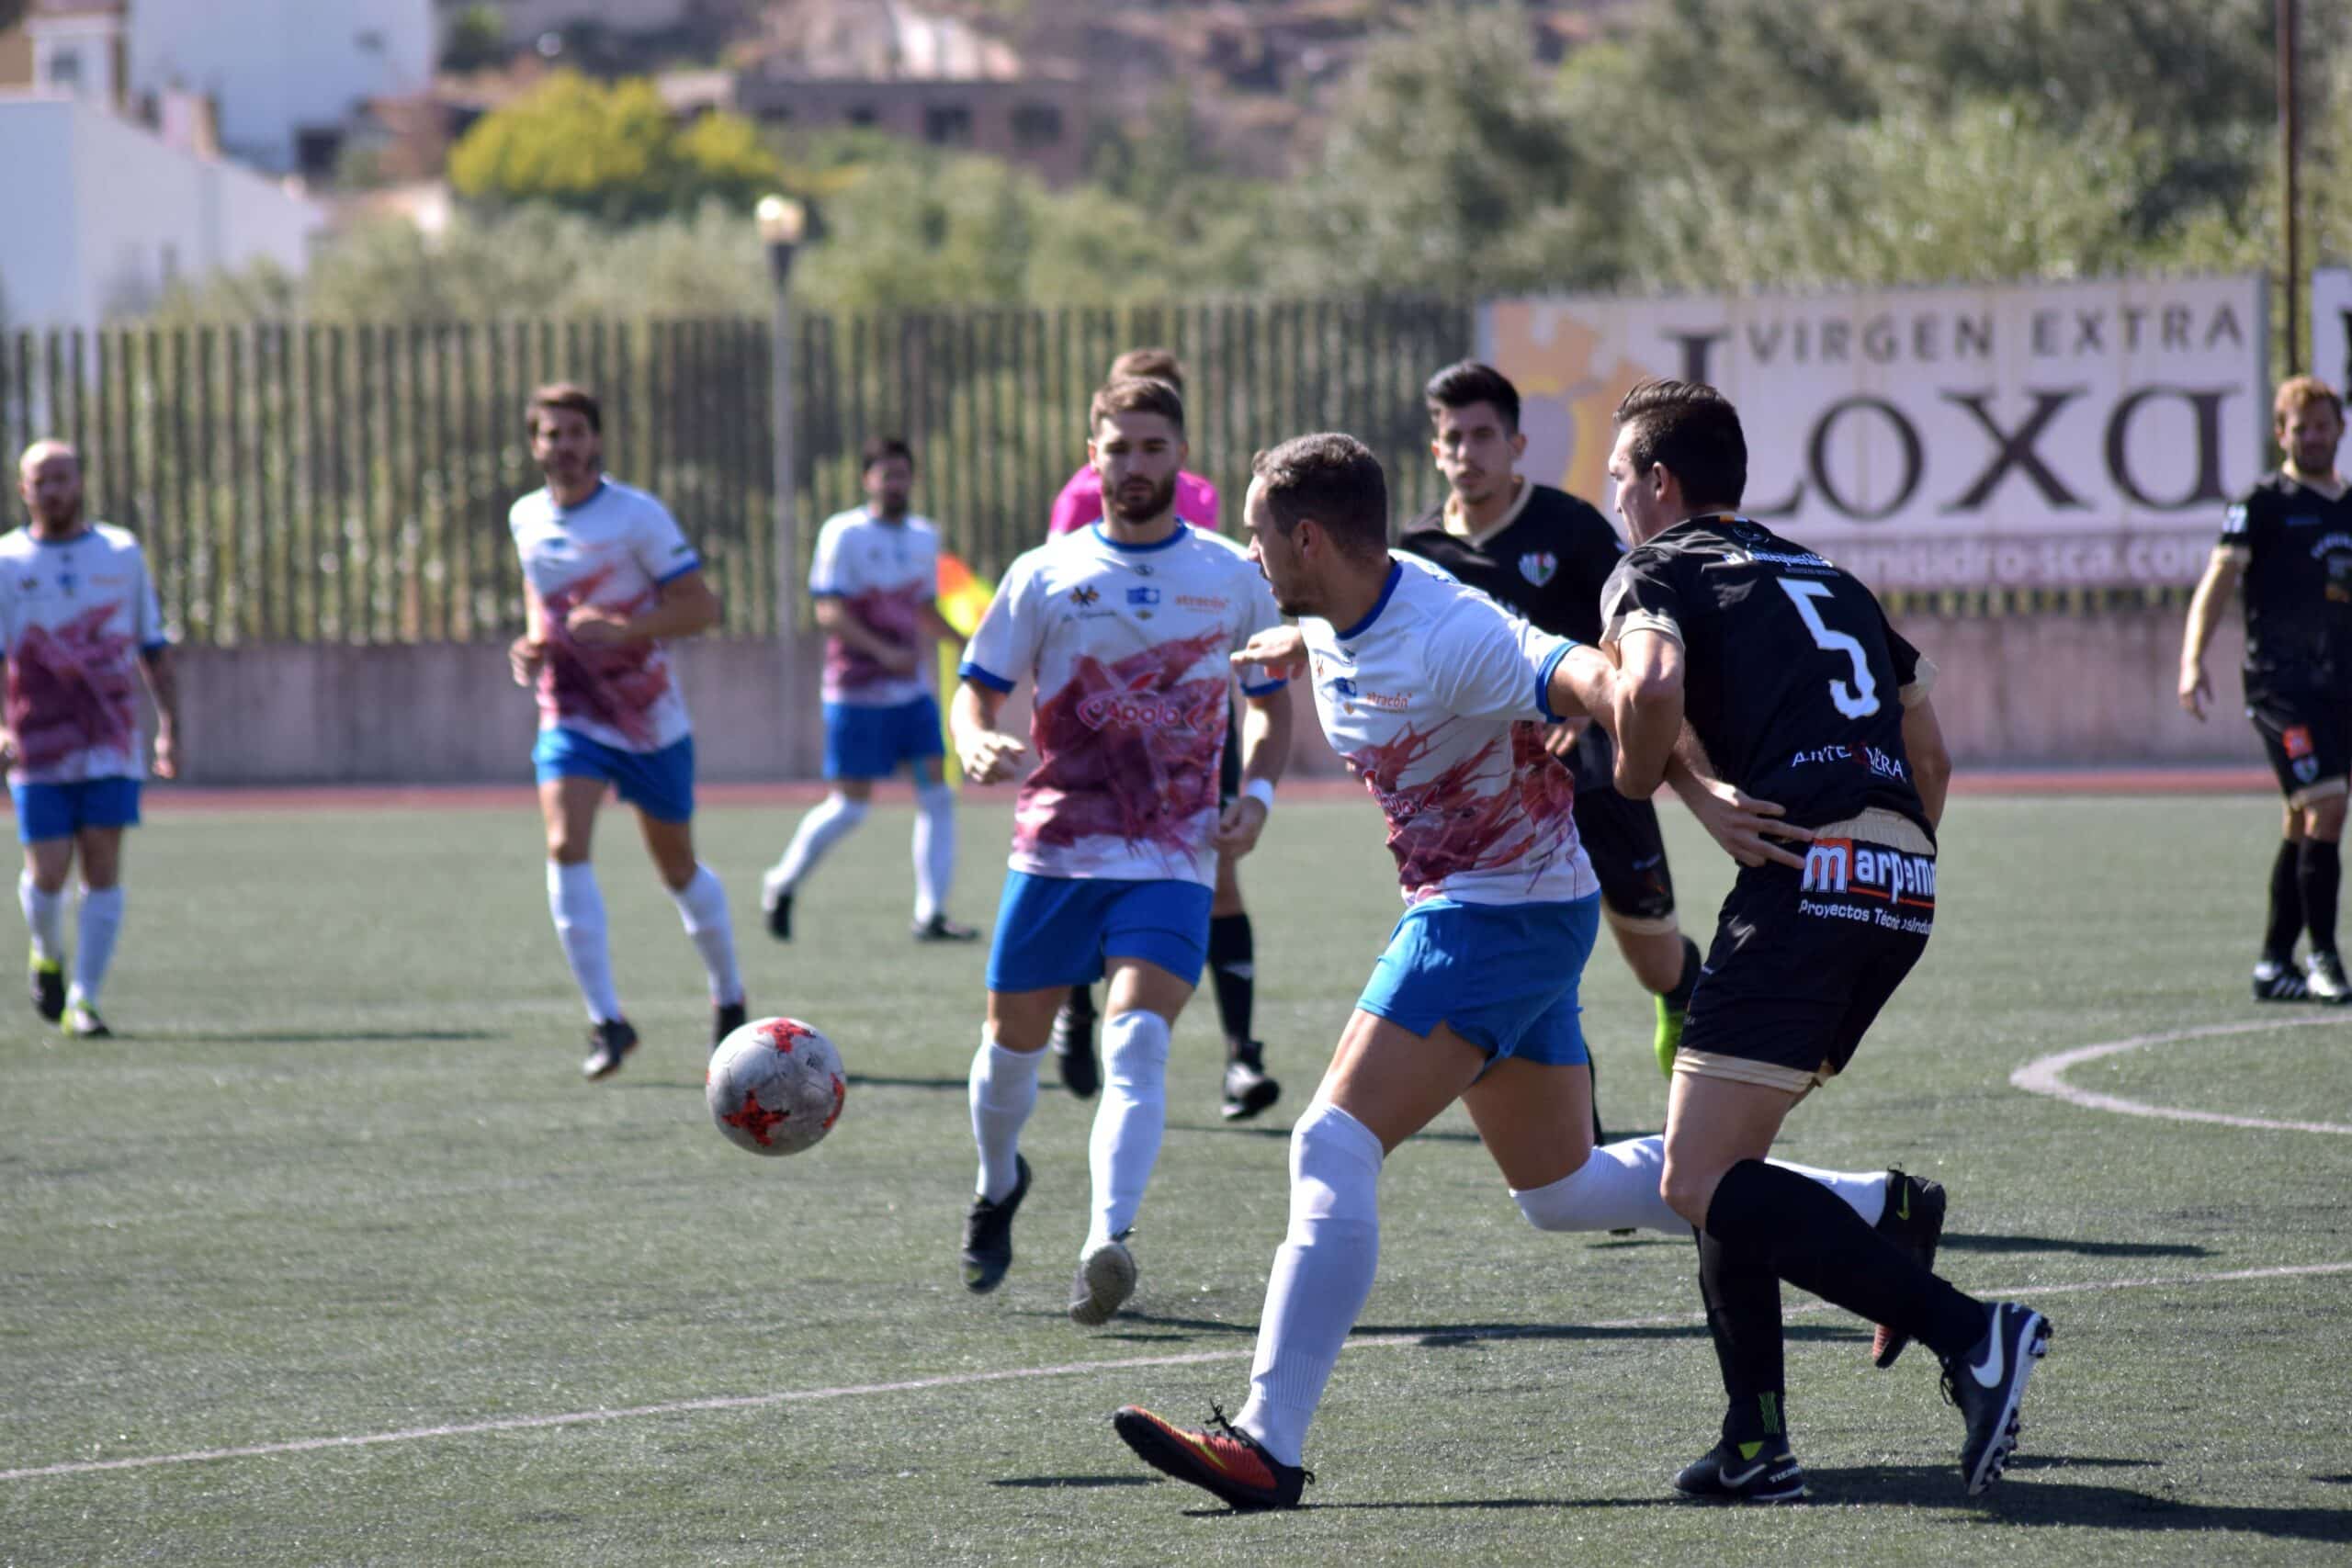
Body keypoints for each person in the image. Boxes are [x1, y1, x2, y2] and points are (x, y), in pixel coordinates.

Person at [1110, 434, 1925, 1512]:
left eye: (1261, 538)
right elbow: (1381, 652)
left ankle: (1268, 1443)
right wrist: (1297, 654)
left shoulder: (1451, 633)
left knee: (1331, 1139)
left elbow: (1597, 681)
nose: (1252, 557)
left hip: (1490, 918)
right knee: (1561, 1190)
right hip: (1527, 909)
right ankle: (1878, 1213)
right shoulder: (1346, 608)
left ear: (1307, 539)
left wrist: (1688, 787)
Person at [1600, 378, 2048, 1501]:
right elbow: (1931, 759)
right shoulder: (1832, 577)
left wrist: (1637, 774)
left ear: (1659, 483)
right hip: (1903, 878)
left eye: (1618, 481)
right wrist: (1885, 858)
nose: (1613, 502)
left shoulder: (1655, 567)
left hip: (1809, 877)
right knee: (1723, 1166)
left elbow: (1647, 682)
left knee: (1692, 1177)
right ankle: (1755, 1445)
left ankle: (1971, 1334)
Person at [951, 376, 1294, 1328]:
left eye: (1152, 447)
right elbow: (975, 688)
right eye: (1118, 448)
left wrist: (1256, 797)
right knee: (1007, 1055)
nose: (1135, 465)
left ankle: (1108, 1239)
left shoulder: (1230, 576)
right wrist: (973, 736)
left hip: (1171, 858)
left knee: (1135, 1039)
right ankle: (997, 1181)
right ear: (1091, 454)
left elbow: (1270, 706)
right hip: (1055, 852)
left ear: (1178, 455)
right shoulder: (1044, 572)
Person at [1400, 359, 1703, 1084]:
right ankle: (1569, 1113)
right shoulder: (1416, 552)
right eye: (1453, 438)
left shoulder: (1569, 528)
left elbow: (1631, 627)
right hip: (1488, 792)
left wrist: (1589, 716)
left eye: (1483, 436)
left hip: (1592, 772)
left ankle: (1681, 989)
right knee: (1522, 957)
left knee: (1652, 955)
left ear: (1517, 445)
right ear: (1435, 450)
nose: (1467, 453)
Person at [1044, 347, 1278, 1123]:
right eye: (1125, 436)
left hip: (1191, 718)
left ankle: (1242, 1056)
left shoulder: (1208, 498)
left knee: (1222, 877)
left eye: (1160, 427)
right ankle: (1078, 1005)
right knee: (1083, 870)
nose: (1141, 454)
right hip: (1101, 726)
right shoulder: (1079, 498)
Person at [505, 383, 747, 1080]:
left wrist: (625, 631)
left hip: (649, 720)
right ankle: (608, 1020)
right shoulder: (526, 517)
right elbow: (537, 593)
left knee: (677, 869)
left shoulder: (636, 516)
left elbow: (703, 607)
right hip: (571, 713)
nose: (565, 446)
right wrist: (532, 642)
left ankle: (729, 997)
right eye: (551, 434)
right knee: (563, 842)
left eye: (576, 432)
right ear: (535, 445)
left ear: (598, 441)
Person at [761, 436, 978, 945]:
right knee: (851, 806)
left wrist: (967, 644)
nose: (894, 483)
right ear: (867, 480)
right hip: (856, 693)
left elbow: (923, 609)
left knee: (938, 797)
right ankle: (782, 881)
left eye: (902, 474)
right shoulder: (844, 534)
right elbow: (828, 611)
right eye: (885, 474)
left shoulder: (925, 537)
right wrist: (882, 652)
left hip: (911, 696)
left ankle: (930, 914)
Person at [2180, 375, 2352, 1002]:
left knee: (2303, 817)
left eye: (2322, 425)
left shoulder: (2348, 504)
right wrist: (2191, 660)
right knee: (2329, 805)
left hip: (2341, 684)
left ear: (2339, 428)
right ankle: (2325, 957)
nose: (2312, 436)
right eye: (2299, 427)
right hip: (2282, 685)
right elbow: (2218, 581)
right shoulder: (2262, 502)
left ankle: (2273, 961)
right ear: (2281, 433)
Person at [0, 440, 179, 1037]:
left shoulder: (120, 552)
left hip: (110, 737)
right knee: (48, 871)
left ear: (81, 482)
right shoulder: (8, 561)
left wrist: (169, 727)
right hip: (38, 743)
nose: (53, 489)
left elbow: (151, 644)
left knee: (103, 866)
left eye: (62, 477)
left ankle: (85, 998)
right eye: (40, 479)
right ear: (24, 488)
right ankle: (46, 952)